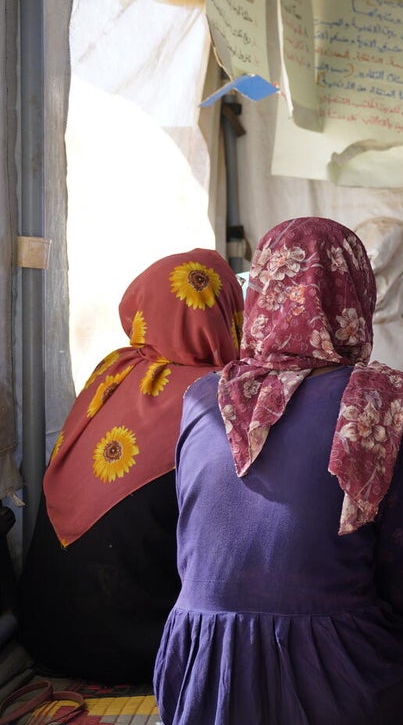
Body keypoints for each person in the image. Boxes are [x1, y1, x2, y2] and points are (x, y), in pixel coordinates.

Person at [153, 218, 403, 724]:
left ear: (261, 287)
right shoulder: (388, 402)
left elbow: (193, 549)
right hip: (338, 675)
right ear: (357, 293)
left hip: (199, 671)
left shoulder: (201, 397)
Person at [18, 249, 243, 683]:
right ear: (229, 311)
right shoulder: (218, 397)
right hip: (149, 651)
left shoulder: (111, 372)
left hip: (44, 634)